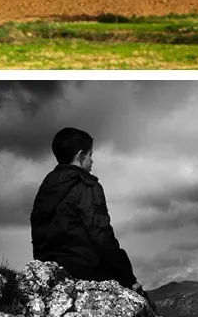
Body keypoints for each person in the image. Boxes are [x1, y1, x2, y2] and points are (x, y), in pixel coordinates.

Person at [30, 127, 155, 308]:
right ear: (80, 156)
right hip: (86, 272)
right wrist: (129, 279)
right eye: (90, 155)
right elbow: (102, 236)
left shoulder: (47, 185)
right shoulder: (87, 186)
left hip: (48, 271)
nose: (92, 160)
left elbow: (38, 228)